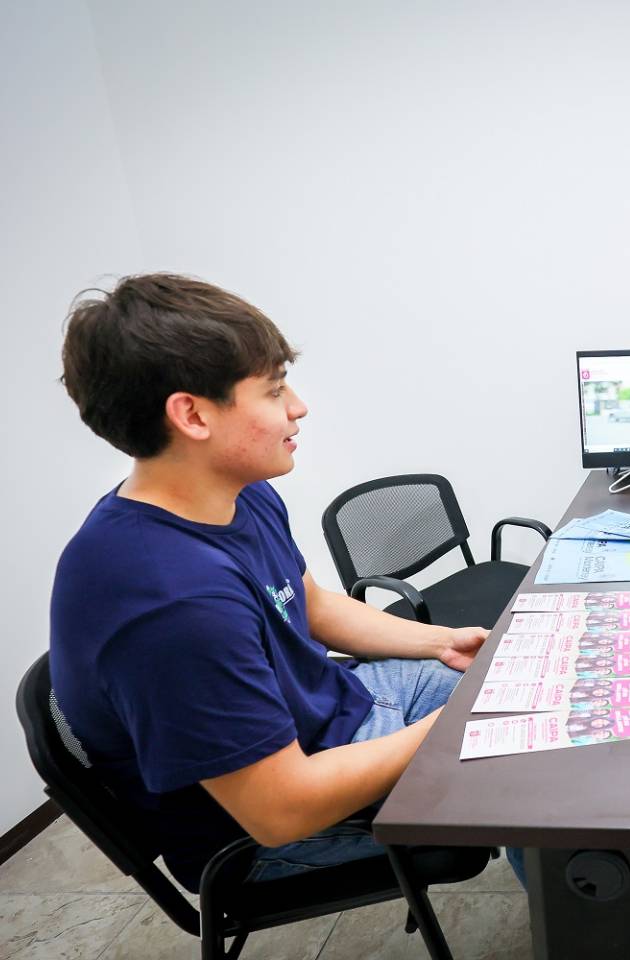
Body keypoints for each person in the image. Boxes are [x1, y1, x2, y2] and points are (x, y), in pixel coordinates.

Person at [50, 274, 501, 890]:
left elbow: (307, 601)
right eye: (273, 389)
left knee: (533, 690)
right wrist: (447, 729)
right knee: (522, 769)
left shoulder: (236, 494)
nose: (298, 407)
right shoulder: (167, 603)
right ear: (192, 414)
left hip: (337, 710)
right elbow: (280, 810)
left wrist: (438, 642)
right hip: (261, 827)